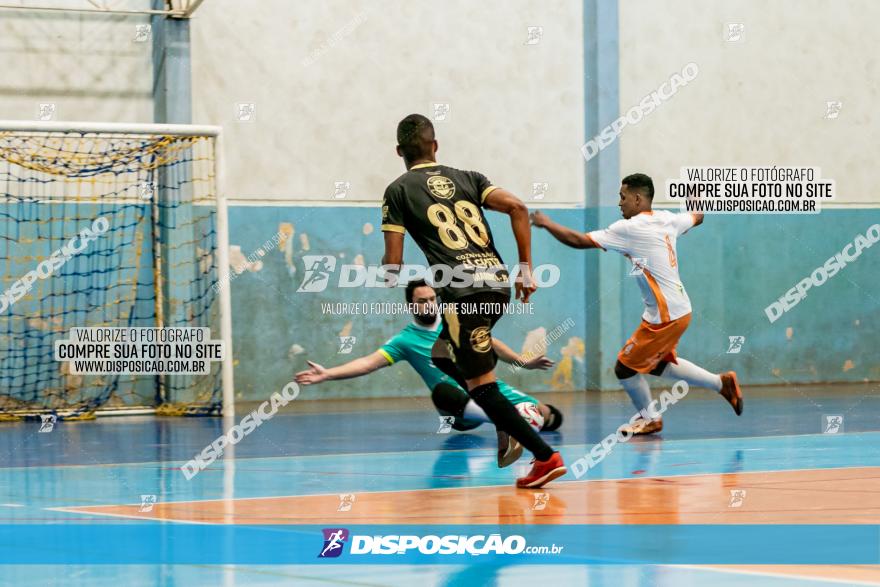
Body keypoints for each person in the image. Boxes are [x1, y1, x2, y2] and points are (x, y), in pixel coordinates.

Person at [380, 114, 566, 488]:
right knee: (441, 354)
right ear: (436, 145)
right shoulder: (469, 177)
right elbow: (517, 207)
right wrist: (525, 268)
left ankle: (544, 456)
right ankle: (508, 427)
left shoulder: (397, 191)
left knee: (482, 387)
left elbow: (393, 265)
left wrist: (386, 271)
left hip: (462, 293)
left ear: (399, 151)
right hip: (496, 285)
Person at [530, 172, 743, 435]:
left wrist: (547, 222)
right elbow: (697, 217)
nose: (620, 203)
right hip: (674, 310)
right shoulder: (667, 219)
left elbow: (579, 240)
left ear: (638, 198)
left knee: (625, 367)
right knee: (657, 363)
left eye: (622, 197)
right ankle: (721, 383)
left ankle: (651, 418)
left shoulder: (629, 228)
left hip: (666, 316)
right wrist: (694, 197)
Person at [294, 280, 564, 463]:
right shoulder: (404, 341)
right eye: (422, 301)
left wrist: (522, 361)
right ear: (411, 305)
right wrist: (327, 374)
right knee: (443, 392)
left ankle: (524, 420)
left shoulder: (454, 321)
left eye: (433, 298)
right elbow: (367, 362)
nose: (429, 304)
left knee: (545, 413)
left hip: (487, 391)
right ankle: (506, 423)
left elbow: (489, 341)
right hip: (460, 409)